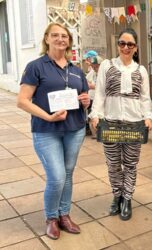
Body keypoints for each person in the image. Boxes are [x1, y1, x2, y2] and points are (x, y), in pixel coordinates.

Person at [16, 23, 90, 240]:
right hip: (46, 130)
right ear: (47, 38)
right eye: (55, 35)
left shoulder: (76, 70)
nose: (61, 39)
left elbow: (83, 98)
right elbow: (22, 101)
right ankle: (51, 217)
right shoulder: (36, 66)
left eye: (64, 36)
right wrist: (48, 116)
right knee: (56, 176)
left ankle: (64, 214)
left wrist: (85, 101)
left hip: (74, 130)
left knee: (67, 174)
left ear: (69, 41)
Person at [89, 28, 152, 221]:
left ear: (135, 48)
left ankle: (127, 199)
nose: (126, 47)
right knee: (113, 164)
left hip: (134, 123)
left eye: (130, 44)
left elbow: (145, 98)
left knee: (131, 164)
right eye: (122, 43)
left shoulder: (141, 70)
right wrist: (96, 114)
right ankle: (117, 195)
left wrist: (148, 116)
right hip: (111, 122)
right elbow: (100, 93)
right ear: (118, 45)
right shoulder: (107, 66)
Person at [86, 55, 103, 138]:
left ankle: (99, 132)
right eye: (92, 65)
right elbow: (85, 79)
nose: (94, 67)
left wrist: (94, 86)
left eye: (95, 65)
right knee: (91, 115)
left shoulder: (104, 72)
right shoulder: (92, 72)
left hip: (101, 99)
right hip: (92, 97)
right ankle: (94, 134)